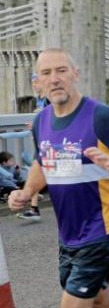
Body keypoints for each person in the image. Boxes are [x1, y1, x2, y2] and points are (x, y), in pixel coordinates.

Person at [8, 48, 109, 308]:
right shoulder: (42, 120)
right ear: (37, 82)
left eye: (61, 70)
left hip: (103, 225)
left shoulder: (100, 116)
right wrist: (27, 191)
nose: (55, 79)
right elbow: (41, 161)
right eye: (46, 73)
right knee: (102, 301)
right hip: (69, 230)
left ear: (75, 74)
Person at [17, 73, 50, 221]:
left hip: (51, 142)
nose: (35, 86)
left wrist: (37, 126)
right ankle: (34, 207)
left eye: (36, 82)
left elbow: (54, 118)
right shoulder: (39, 100)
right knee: (35, 171)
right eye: (32, 84)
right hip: (41, 141)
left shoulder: (49, 99)